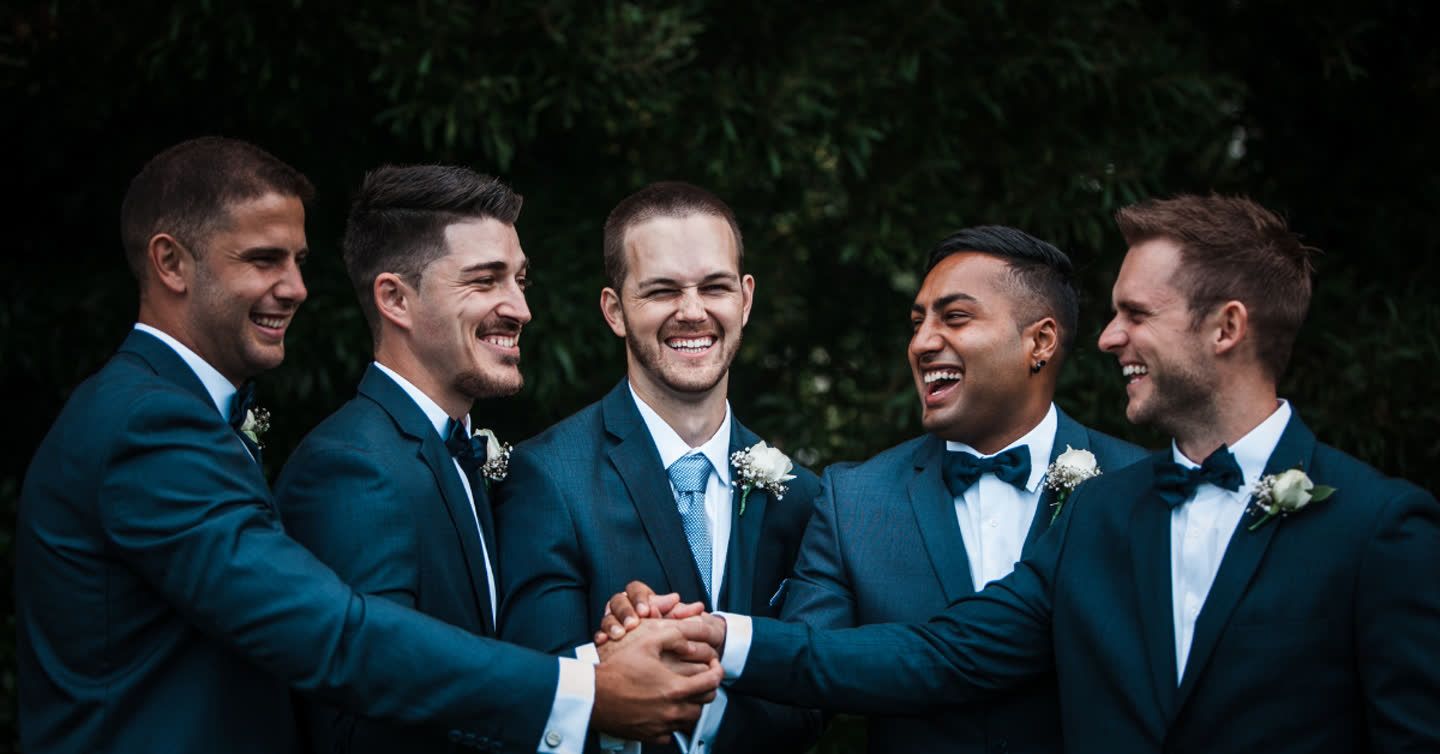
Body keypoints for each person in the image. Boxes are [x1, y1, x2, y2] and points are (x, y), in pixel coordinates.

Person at [609, 195, 1440, 753]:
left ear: (1227, 328)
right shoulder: (1106, 516)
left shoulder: (1381, 526)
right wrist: (718, 635)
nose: (1108, 338)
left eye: (1135, 315)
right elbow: (940, 654)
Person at [15, 138, 721, 754]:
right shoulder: (155, 424)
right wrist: (585, 690)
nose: (295, 288)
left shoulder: (190, 415)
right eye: (264, 260)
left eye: (297, 261)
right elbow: (338, 642)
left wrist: (604, 650)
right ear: (170, 262)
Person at [774, 226, 1144, 753]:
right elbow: (802, 682)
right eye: (918, 322)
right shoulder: (853, 498)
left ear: (1039, 341)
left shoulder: (1135, 485)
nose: (922, 342)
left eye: (955, 317)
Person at [495, 181, 822, 753]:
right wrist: (613, 659)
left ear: (745, 299)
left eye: (714, 287)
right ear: (615, 310)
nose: (692, 312)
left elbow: (815, 690)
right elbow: (535, 682)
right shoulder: (547, 476)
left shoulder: (802, 499)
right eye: (662, 291)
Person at [274, 164, 544, 752]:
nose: (519, 307)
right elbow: (362, 716)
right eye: (485, 281)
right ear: (395, 298)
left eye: (520, 280)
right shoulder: (351, 468)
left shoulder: (458, 451)